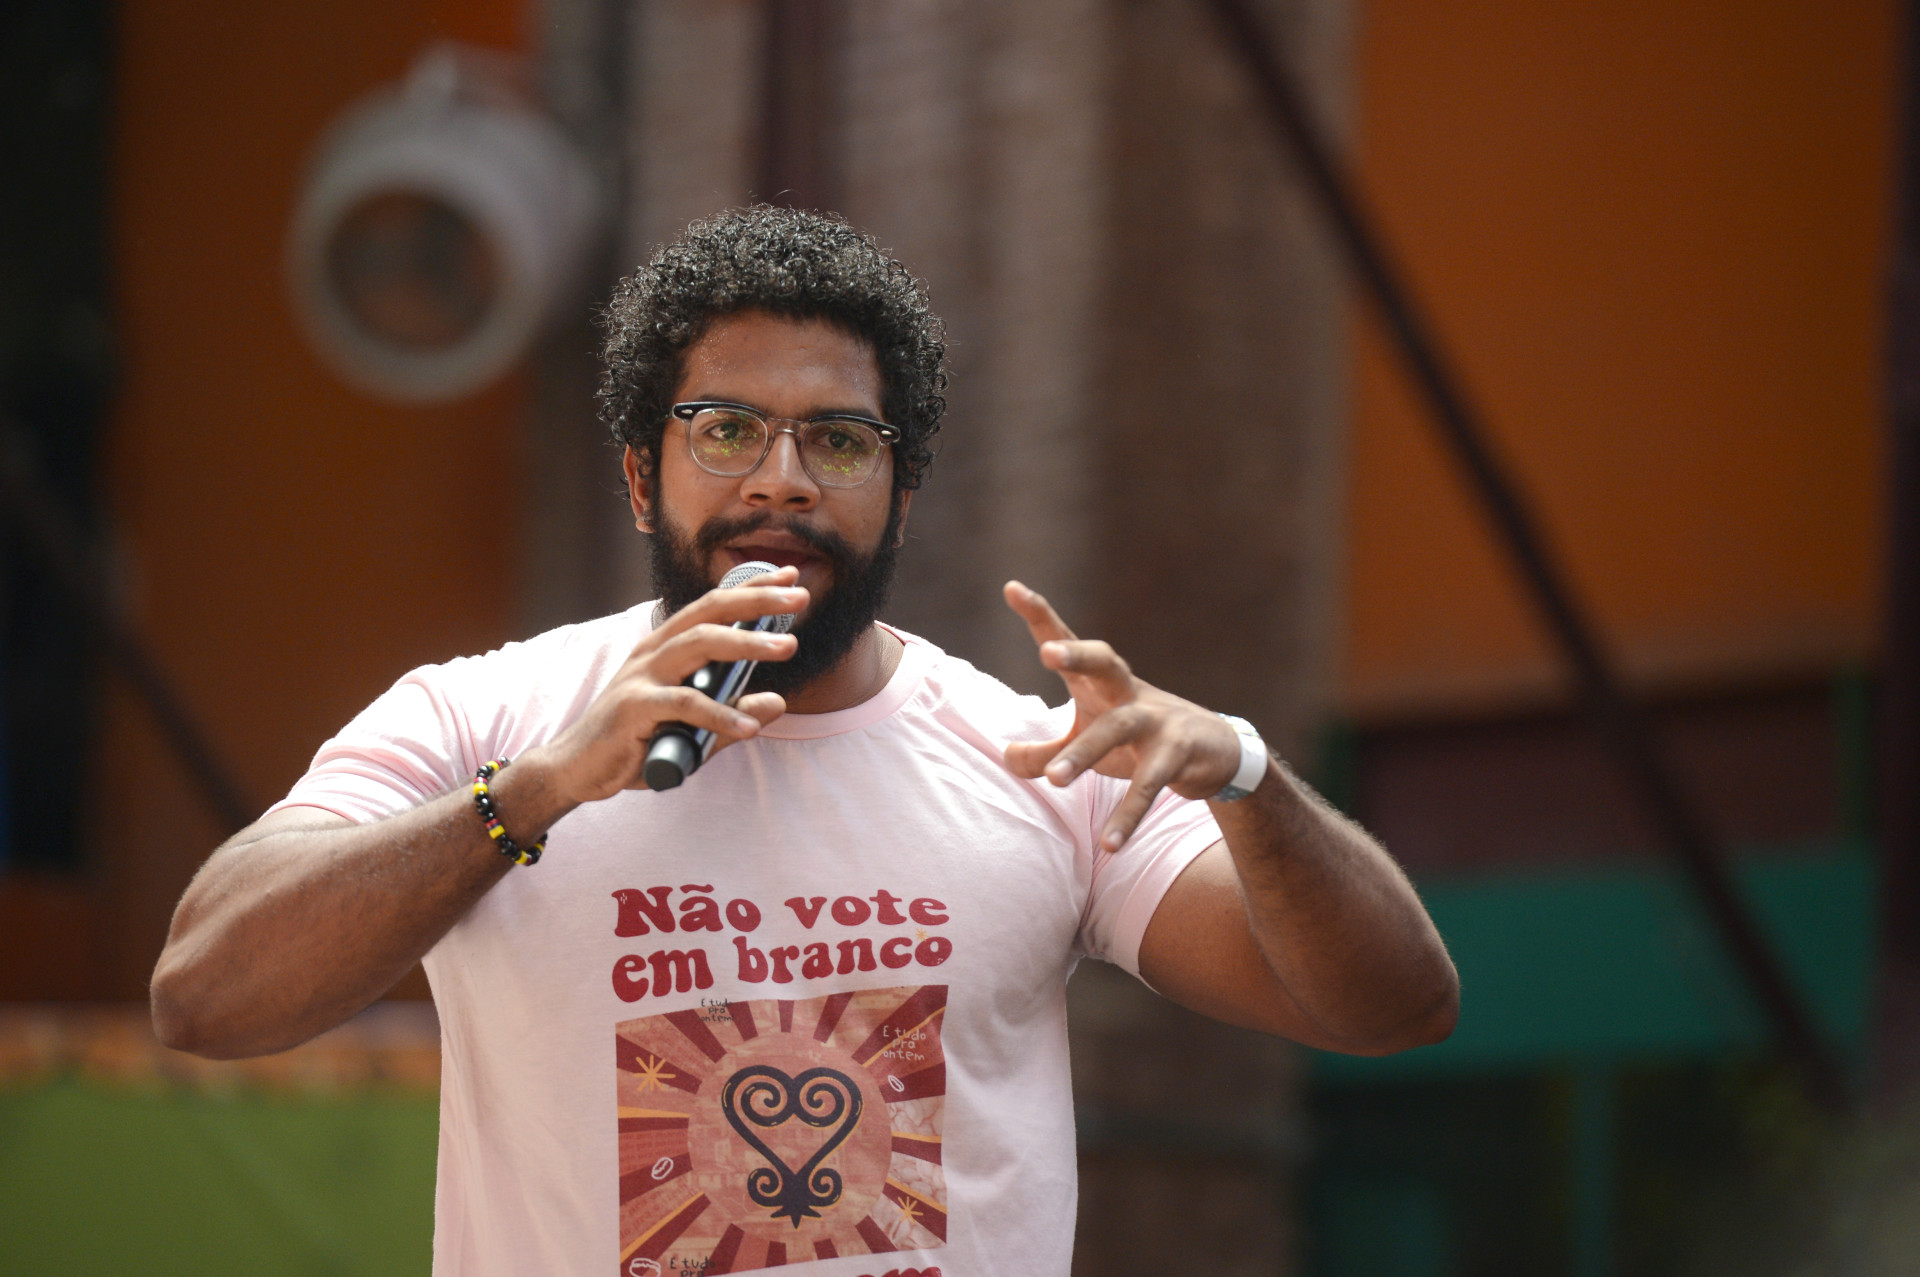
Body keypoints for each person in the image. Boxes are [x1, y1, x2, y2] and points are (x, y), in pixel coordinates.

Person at [152, 206, 1456, 1277]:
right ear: (638, 473)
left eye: (837, 438)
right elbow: (206, 990)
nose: (781, 478)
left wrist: (1245, 771)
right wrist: (538, 792)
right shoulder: (480, 719)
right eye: (725, 429)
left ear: (900, 491)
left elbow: (1393, 1004)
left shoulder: (1034, 757)